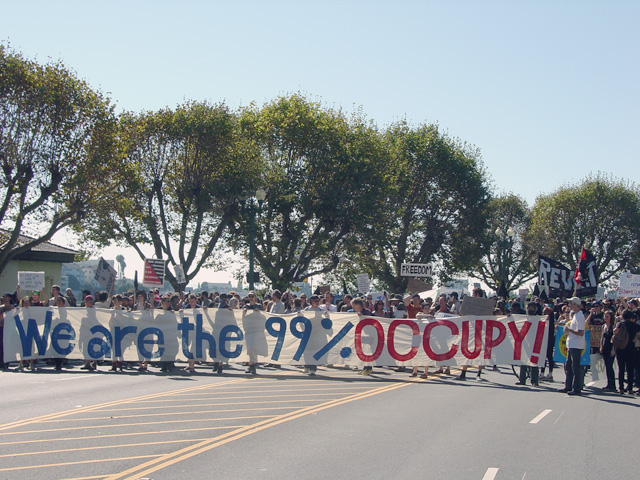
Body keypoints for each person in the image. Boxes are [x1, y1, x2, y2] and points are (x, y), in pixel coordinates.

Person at [558, 296, 586, 396]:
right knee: (569, 366)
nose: (570, 305)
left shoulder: (580, 316)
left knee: (575, 367)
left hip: (576, 345)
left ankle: (576, 388)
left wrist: (569, 330)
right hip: (572, 343)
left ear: (576, 305)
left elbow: (581, 332)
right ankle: (568, 385)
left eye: (571, 304)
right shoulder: (575, 315)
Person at [614, 309, 640, 395]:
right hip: (631, 349)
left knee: (621, 368)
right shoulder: (635, 326)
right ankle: (630, 388)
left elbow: (615, 332)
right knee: (630, 369)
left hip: (620, 348)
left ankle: (621, 388)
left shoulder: (620, 324)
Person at [600, 310, 617, 391]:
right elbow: (602, 337)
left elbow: (614, 339)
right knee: (607, 366)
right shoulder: (604, 326)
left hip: (611, 347)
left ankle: (612, 384)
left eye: (607, 316)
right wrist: (601, 345)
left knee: (610, 366)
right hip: (605, 347)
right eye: (605, 316)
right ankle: (608, 383)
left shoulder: (613, 326)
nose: (605, 318)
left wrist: (613, 350)